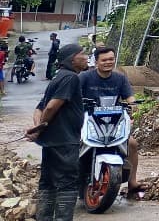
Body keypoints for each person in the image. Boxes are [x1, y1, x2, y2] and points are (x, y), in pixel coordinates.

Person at [27, 44, 90, 221]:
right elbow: (51, 107)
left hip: (51, 141)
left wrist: (37, 129)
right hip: (65, 140)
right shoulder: (71, 78)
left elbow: (39, 108)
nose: (86, 57)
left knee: (48, 181)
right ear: (72, 59)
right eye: (82, 54)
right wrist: (41, 127)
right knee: (67, 182)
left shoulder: (57, 77)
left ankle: (44, 217)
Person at [80, 46, 145, 198]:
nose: (108, 62)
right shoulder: (84, 77)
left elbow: (129, 97)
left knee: (132, 144)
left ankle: (132, 182)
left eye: (111, 59)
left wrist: (134, 106)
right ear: (96, 62)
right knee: (74, 143)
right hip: (88, 121)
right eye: (104, 60)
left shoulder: (120, 78)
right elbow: (74, 95)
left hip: (114, 122)